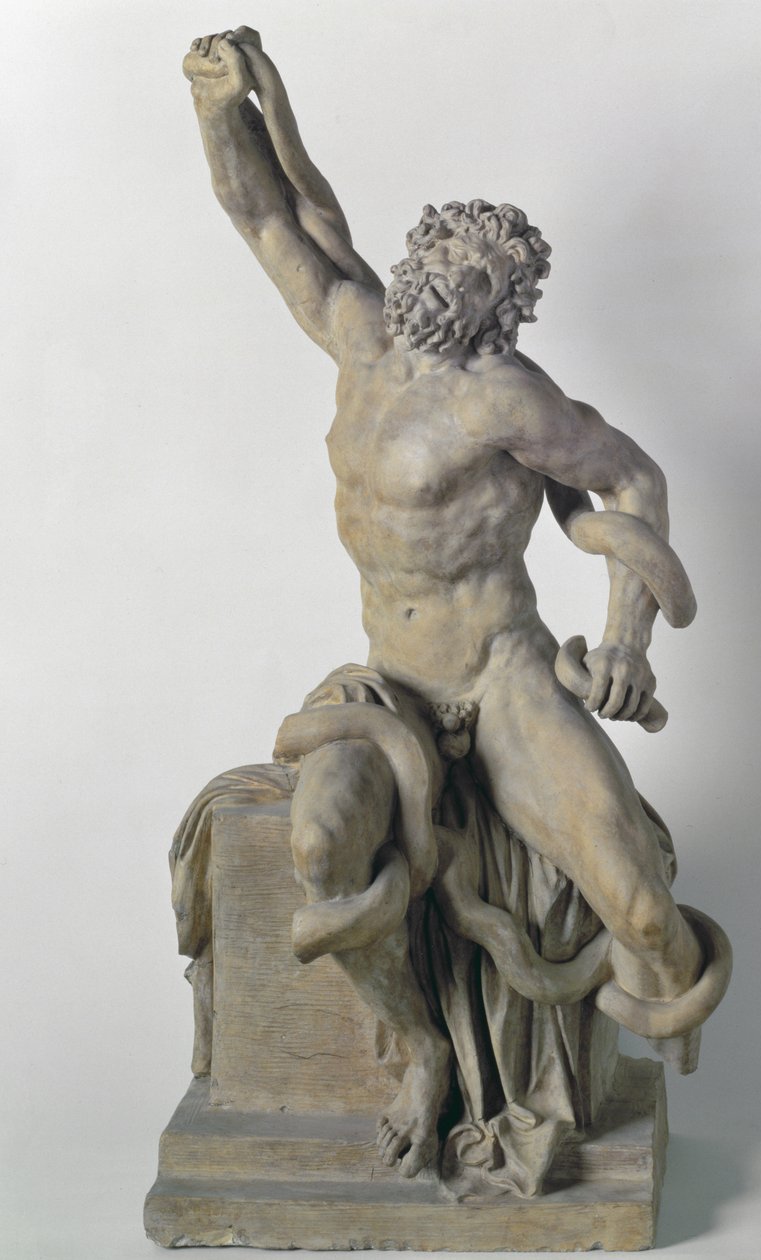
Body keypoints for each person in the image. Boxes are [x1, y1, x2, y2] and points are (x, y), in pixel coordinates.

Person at [183, 28, 729, 1178]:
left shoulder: (504, 400)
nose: (448, 273)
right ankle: (426, 1049)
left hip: (502, 675)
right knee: (320, 846)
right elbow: (266, 214)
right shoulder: (356, 337)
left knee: (640, 909)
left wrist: (626, 643)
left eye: (477, 271)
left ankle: (655, 1014)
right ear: (416, 253)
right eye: (441, 249)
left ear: (500, 305)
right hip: (387, 690)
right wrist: (221, 104)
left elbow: (632, 480)